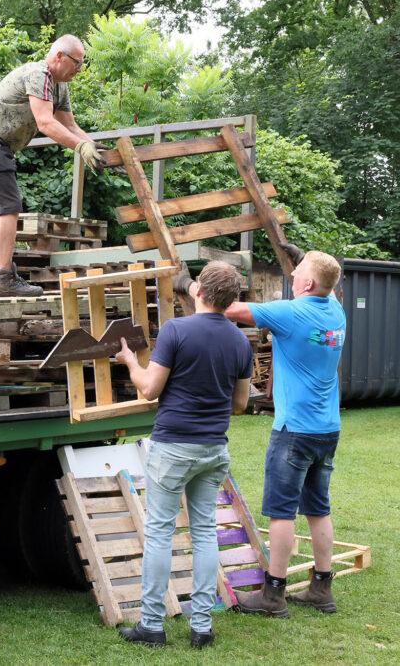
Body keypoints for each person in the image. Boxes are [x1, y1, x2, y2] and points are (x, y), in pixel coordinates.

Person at [114, 261, 253, 649]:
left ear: (196, 291)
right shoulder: (241, 342)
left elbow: (149, 390)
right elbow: (240, 404)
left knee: (160, 532)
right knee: (205, 532)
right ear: (233, 299)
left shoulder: (176, 329)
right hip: (213, 448)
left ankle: (152, 626)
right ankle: (202, 627)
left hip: (173, 445)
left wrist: (130, 362)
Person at [217, 245, 346, 616]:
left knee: (281, 512)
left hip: (293, 431)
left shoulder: (291, 313)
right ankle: (322, 589)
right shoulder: (335, 310)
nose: (291, 276)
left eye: (296, 272)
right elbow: (327, 281)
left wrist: (195, 291)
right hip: (326, 428)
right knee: (318, 508)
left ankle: (272, 596)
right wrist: (299, 258)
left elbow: (228, 310)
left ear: (307, 283)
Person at [0, 35, 107, 296]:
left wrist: (97, 151)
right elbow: (45, 123)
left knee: (2, 211)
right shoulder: (38, 74)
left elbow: (70, 126)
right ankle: (4, 279)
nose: (79, 69)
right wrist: (81, 148)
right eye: (77, 63)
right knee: (8, 208)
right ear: (60, 56)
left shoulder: (59, 86)